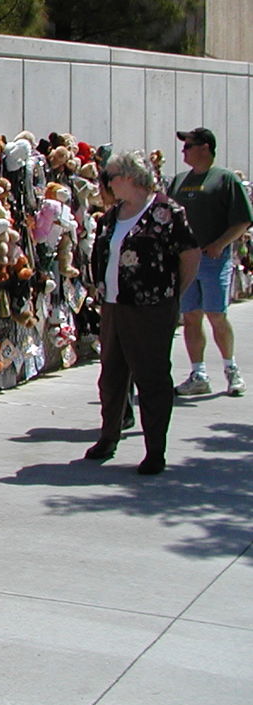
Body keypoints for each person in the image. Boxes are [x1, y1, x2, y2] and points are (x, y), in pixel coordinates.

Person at [88, 150, 199, 475]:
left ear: (129, 177)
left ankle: (155, 450)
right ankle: (108, 437)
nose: (107, 183)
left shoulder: (167, 212)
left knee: (151, 378)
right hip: (113, 305)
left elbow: (189, 255)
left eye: (111, 176)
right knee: (112, 376)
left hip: (150, 307)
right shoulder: (112, 215)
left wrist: (172, 295)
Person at [166, 127, 253, 397]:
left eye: (189, 146)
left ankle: (231, 370)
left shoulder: (225, 179)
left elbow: (243, 220)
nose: (184, 151)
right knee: (191, 317)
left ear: (205, 147)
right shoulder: (179, 181)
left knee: (216, 315)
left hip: (214, 260)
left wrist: (220, 244)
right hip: (186, 261)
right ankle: (198, 374)